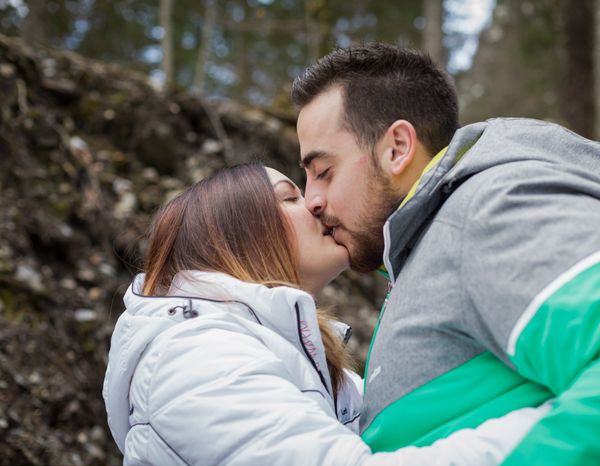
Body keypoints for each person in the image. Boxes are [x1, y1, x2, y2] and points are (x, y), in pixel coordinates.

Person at [292, 43, 600, 465]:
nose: (311, 200)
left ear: (397, 148)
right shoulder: (428, 249)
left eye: (323, 172)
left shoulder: (490, 208)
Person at [102, 162, 550, 465]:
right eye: (289, 197)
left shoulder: (291, 356)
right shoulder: (195, 358)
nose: (316, 204)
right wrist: (559, 421)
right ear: (237, 233)